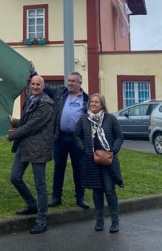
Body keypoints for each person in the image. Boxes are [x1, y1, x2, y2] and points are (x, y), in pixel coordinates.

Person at [6, 74, 54, 234]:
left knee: (40, 185)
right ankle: (32, 204)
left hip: (38, 149)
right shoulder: (31, 99)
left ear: (43, 87)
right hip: (25, 146)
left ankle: (42, 219)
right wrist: (14, 122)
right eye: (32, 84)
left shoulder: (46, 105)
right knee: (15, 177)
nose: (34, 87)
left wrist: (12, 134)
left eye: (38, 85)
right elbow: (26, 123)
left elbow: (32, 126)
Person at [74, 93, 124, 233]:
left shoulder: (110, 119)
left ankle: (115, 221)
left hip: (108, 161)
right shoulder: (84, 120)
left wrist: (113, 150)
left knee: (109, 190)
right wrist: (84, 149)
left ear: (102, 104)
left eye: (96, 102)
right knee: (97, 191)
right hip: (91, 160)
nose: (93, 104)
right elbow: (76, 136)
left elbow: (120, 136)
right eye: (91, 102)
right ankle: (99, 220)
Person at [41, 71, 91, 209]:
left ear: (80, 83)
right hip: (60, 137)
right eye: (68, 81)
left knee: (78, 168)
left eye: (73, 81)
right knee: (59, 168)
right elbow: (44, 86)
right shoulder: (60, 93)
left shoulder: (87, 99)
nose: (69, 83)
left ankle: (80, 197)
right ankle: (56, 197)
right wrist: (33, 72)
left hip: (77, 139)